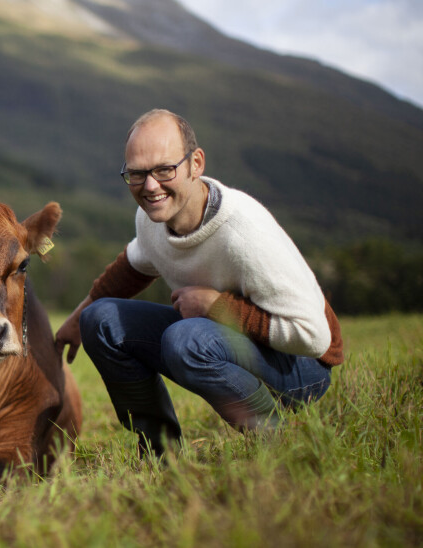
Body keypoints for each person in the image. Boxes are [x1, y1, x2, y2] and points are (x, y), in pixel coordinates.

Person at [54, 109, 344, 457]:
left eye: (164, 169)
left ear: (196, 164)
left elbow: (314, 337)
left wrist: (217, 307)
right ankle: (161, 452)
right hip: (223, 341)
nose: (150, 186)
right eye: (136, 173)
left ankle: (275, 441)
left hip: (302, 369)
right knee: (99, 321)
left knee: (185, 339)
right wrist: (75, 321)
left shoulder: (243, 232)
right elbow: (132, 267)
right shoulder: (153, 218)